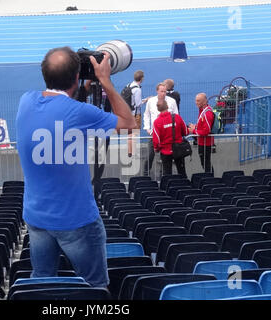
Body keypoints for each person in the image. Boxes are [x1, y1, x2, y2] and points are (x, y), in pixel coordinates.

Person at [15, 46, 135, 288]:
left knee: (43, 283)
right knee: (94, 285)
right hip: (76, 220)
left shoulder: (26, 101)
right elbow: (129, 123)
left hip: (37, 217)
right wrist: (105, 80)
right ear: (77, 77)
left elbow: (60, 111)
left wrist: (79, 87)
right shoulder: (80, 114)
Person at [143, 82, 178, 176]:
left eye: (165, 91)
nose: (163, 93)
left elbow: (176, 116)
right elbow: (146, 115)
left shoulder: (172, 101)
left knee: (165, 157)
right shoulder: (151, 101)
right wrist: (147, 128)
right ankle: (145, 174)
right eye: (161, 91)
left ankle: (163, 176)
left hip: (167, 135)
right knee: (150, 155)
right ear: (157, 91)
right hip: (153, 134)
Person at [152, 100, 187, 177]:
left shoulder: (157, 122)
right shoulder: (177, 117)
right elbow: (185, 131)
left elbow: (156, 140)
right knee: (182, 172)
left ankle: (168, 188)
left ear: (158, 109)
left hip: (165, 151)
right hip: (178, 149)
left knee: (167, 174)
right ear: (167, 106)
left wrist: (156, 148)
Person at [188, 92, 215, 173]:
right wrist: (195, 126)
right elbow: (203, 126)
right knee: (205, 163)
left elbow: (206, 131)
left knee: (206, 164)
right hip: (203, 142)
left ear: (204, 102)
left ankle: (210, 179)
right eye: (196, 100)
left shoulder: (207, 114)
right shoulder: (204, 110)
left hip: (204, 143)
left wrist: (193, 130)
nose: (196, 102)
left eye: (198, 101)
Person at [127, 70, 145, 157]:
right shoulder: (137, 89)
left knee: (130, 133)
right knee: (135, 133)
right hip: (135, 114)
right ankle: (134, 152)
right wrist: (145, 100)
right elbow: (138, 104)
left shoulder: (129, 85)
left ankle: (130, 152)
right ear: (141, 78)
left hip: (129, 113)